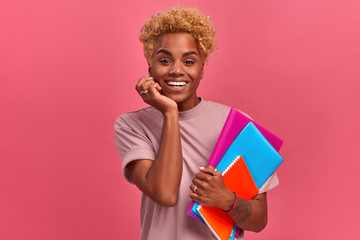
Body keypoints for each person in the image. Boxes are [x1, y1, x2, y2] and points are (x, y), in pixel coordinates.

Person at [114, 6, 279, 240]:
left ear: (202, 69)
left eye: (189, 61)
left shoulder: (239, 126)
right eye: (164, 60)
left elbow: (259, 221)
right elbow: (165, 194)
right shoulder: (132, 125)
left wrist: (226, 200)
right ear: (150, 67)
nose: (176, 70)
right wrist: (170, 112)